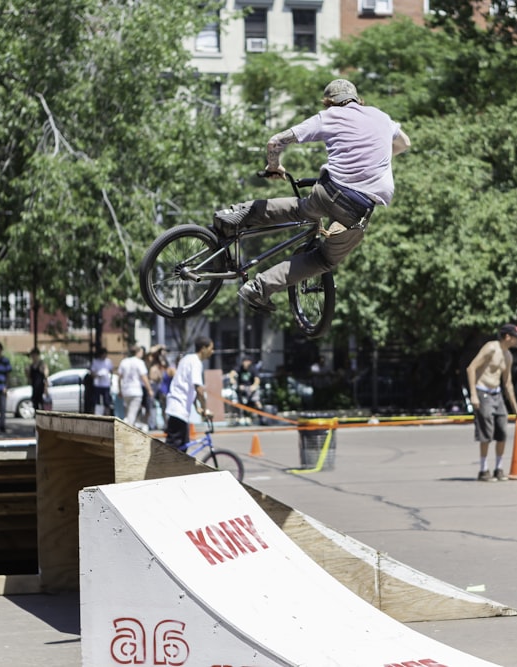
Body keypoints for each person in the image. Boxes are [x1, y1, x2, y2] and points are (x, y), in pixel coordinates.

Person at [213, 78, 411, 312]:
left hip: (328, 189)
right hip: (356, 206)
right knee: (324, 260)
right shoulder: (380, 116)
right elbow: (405, 143)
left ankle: (236, 214)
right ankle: (259, 287)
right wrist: (377, 160)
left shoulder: (328, 117)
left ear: (329, 103)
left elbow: (276, 141)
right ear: (358, 99)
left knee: (301, 208)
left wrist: (274, 166)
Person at [466, 324, 517, 481]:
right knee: (486, 432)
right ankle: (483, 470)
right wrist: (473, 395)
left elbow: (508, 383)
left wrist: (516, 408)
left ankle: (498, 468)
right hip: (482, 391)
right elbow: (471, 368)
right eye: (516, 337)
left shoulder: (508, 356)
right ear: (507, 337)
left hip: (497, 394)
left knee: (502, 431)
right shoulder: (491, 348)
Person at [164, 337, 215, 451]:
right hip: (179, 409)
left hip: (177, 407)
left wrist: (197, 408)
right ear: (203, 349)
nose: (213, 351)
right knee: (172, 450)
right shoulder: (196, 362)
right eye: (211, 348)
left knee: (182, 449)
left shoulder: (187, 359)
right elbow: (199, 389)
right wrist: (205, 409)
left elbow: (189, 387)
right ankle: (163, 468)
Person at [117, 345, 153, 428]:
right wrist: (149, 389)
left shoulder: (124, 362)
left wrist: (120, 390)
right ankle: (127, 430)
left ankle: (126, 426)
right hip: (136, 390)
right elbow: (144, 377)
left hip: (126, 390)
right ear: (137, 352)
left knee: (128, 412)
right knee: (132, 414)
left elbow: (119, 378)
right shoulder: (139, 362)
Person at [236, 357, 262, 424]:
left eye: (246, 361)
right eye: (244, 361)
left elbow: (257, 379)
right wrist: (232, 379)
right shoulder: (240, 368)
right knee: (239, 403)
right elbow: (233, 372)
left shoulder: (253, 369)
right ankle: (241, 417)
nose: (245, 363)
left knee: (257, 402)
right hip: (242, 389)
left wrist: (254, 386)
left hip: (251, 388)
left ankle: (262, 417)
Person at [89, 347, 114, 415]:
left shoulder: (108, 362)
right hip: (97, 384)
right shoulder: (95, 361)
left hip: (106, 384)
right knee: (96, 401)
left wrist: (110, 379)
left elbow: (111, 371)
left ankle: (107, 415)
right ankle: (95, 414)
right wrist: (98, 375)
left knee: (107, 402)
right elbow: (92, 373)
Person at [26, 347, 49, 414]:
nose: (33, 356)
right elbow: (29, 378)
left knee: (42, 406)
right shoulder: (31, 366)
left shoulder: (42, 364)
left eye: (35, 355)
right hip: (34, 388)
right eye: (32, 355)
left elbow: (46, 376)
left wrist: (46, 388)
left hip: (41, 388)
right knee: (35, 405)